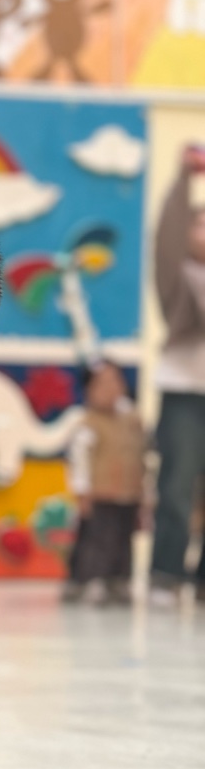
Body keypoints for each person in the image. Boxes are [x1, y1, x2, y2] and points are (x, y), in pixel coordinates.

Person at [151, 146, 205, 604]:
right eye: (199, 224)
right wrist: (185, 177)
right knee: (176, 487)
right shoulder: (179, 274)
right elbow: (167, 234)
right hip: (185, 394)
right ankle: (166, 574)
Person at [63, 361, 145, 605]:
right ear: (89, 390)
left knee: (123, 540)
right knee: (96, 539)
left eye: (115, 381)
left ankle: (118, 580)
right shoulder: (88, 424)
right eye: (102, 384)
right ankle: (86, 580)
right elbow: (79, 460)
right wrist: (81, 491)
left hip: (128, 493)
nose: (110, 389)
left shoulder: (132, 420)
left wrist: (145, 491)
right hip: (99, 494)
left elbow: (141, 455)